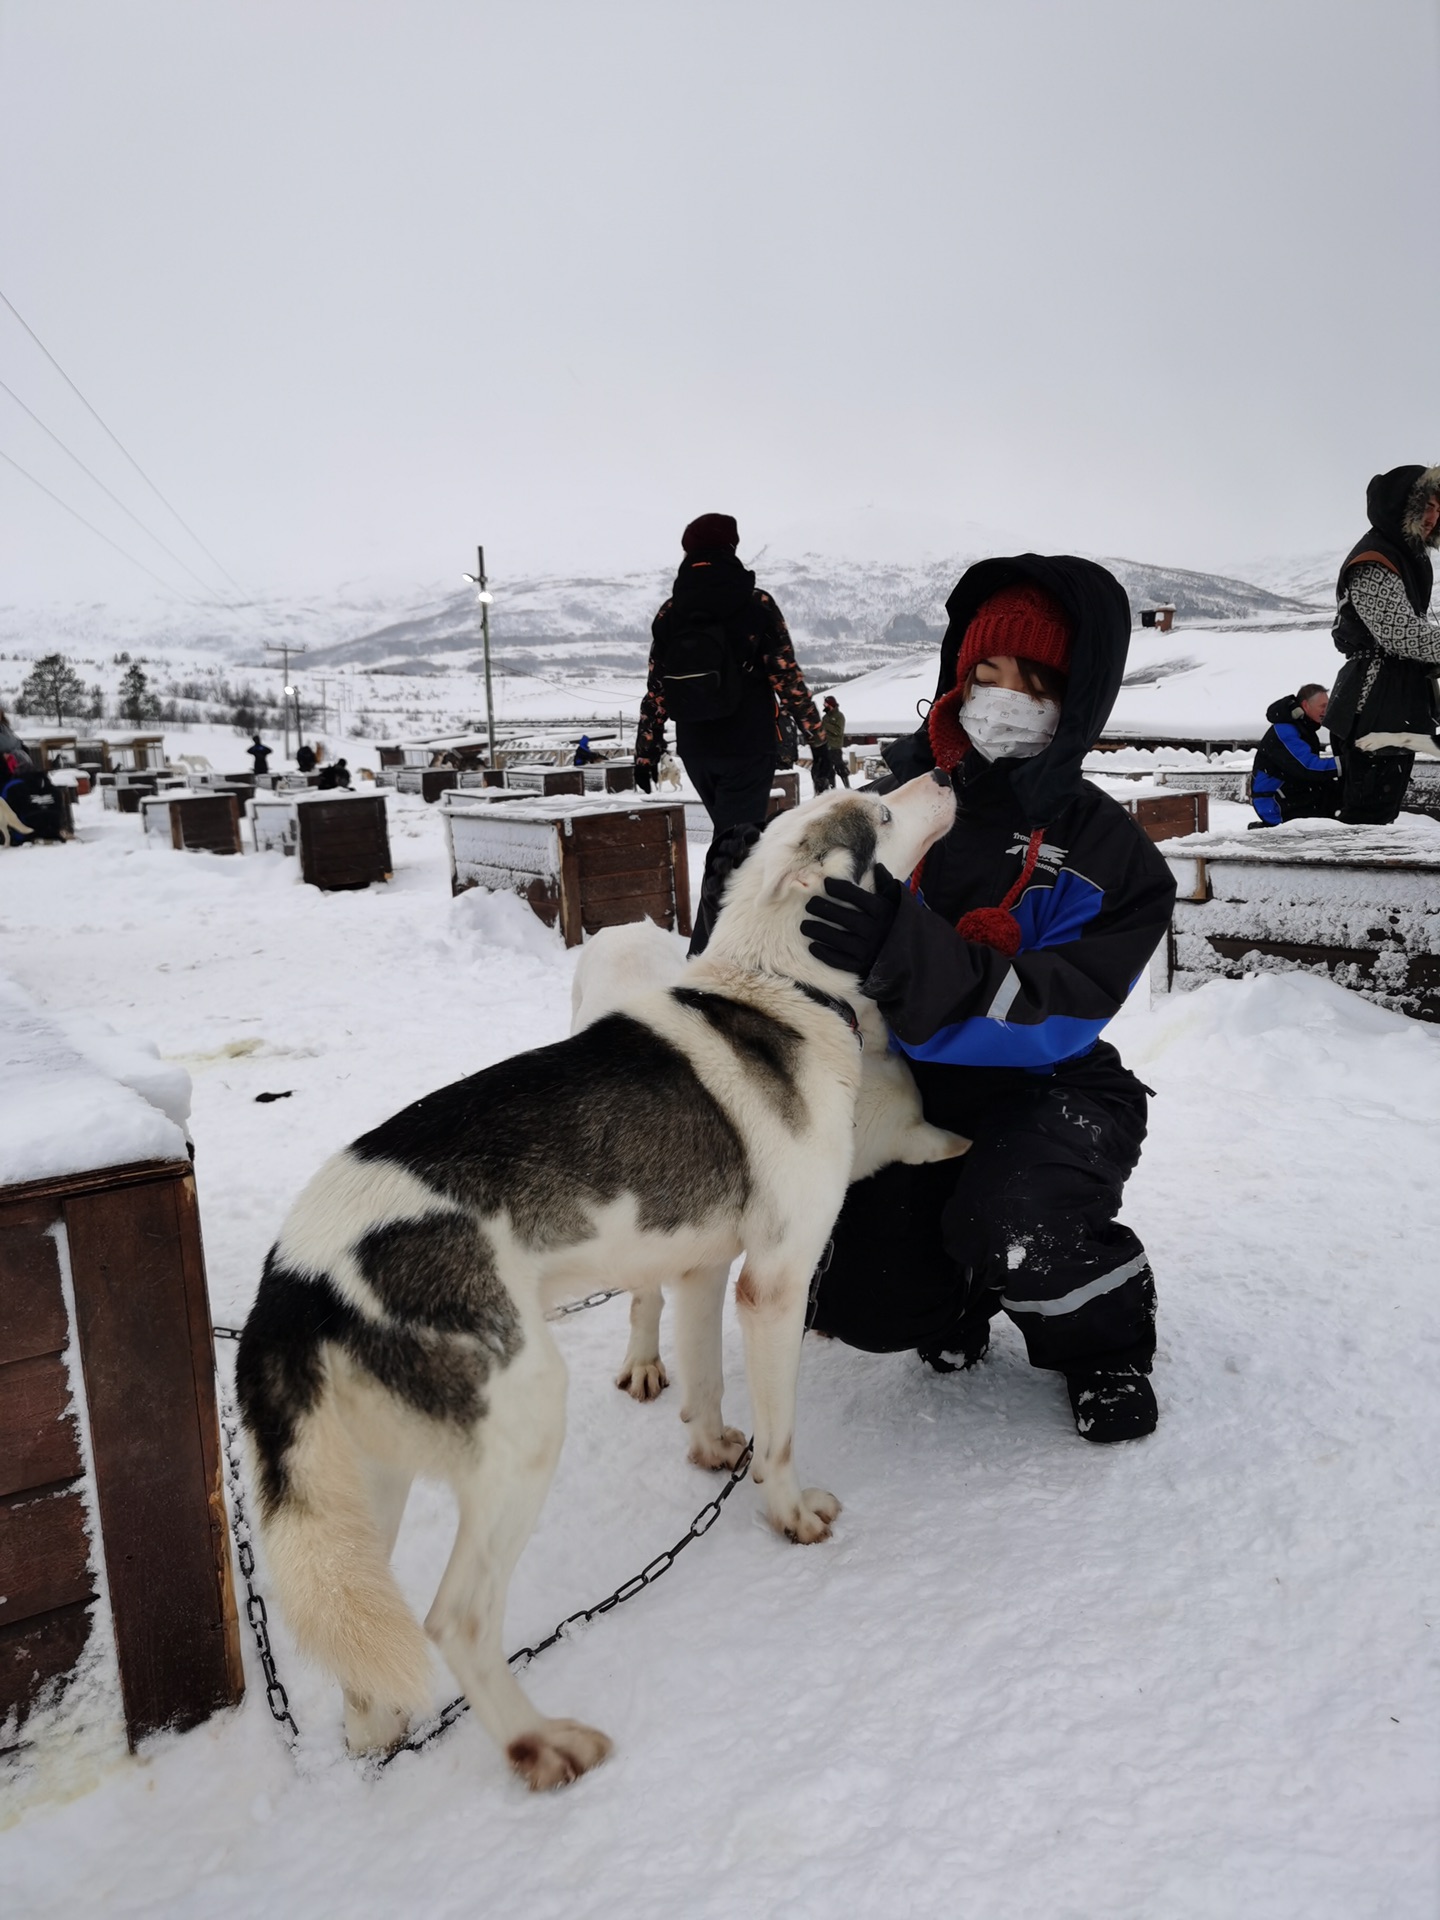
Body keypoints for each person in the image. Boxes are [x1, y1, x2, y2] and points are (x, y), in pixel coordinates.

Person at [801, 558, 1176, 1444]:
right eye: (986, 676)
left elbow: (1052, 1018)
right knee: (863, 1305)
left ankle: (1104, 1338)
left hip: (1053, 1090)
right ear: (955, 681)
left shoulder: (1114, 858)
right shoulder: (897, 811)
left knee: (1014, 1222)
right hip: (911, 1090)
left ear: (1074, 700)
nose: (1005, 699)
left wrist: (899, 946)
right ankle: (958, 1292)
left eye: (1036, 682)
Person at [635, 512, 826, 952]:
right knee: (733, 852)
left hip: (697, 749)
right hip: (748, 745)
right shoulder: (755, 604)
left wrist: (646, 748)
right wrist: (817, 738)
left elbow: (657, 688)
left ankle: (723, 945)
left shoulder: (671, 612)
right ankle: (707, 954)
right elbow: (787, 679)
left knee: (731, 842)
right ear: (732, 548)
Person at [1328, 464, 1440, 825]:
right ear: (1402, 507)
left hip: (1396, 700)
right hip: (1375, 701)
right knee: (1366, 820)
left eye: (1439, 508)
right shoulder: (1375, 559)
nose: (1433, 517)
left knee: (1377, 815)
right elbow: (1399, 633)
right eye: (1426, 506)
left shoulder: (1405, 555)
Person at [1249, 685, 1338, 826]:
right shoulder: (1286, 730)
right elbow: (1307, 766)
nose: (1326, 711)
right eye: (1323, 706)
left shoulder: (1303, 728)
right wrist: (1345, 763)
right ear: (1305, 706)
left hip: (1290, 794)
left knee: (1338, 794)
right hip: (1274, 803)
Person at [821, 694, 851, 789]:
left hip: (835, 747)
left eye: (826, 704)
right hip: (826, 747)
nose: (824, 706)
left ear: (830, 705)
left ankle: (847, 786)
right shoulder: (825, 717)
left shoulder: (839, 716)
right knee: (829, 770)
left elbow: (838, 732)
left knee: (840, 767)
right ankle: (832, 788)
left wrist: (826, 725)